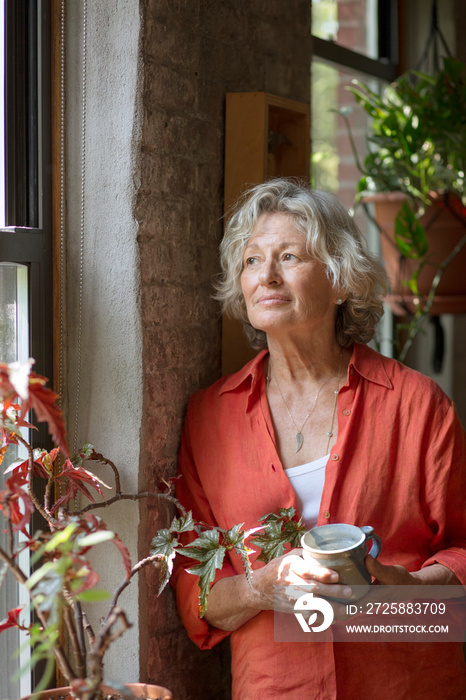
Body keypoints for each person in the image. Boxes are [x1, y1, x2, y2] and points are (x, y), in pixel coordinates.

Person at [171, 178, 466, 699]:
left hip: (402, 682)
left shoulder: (417, 405)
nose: (267, 275)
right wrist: (262, 587)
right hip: (276, 686)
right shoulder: (208, 418)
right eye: (252, 261)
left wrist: (406, 590)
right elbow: (197, 592)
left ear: (340, 280)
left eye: (288, 256)